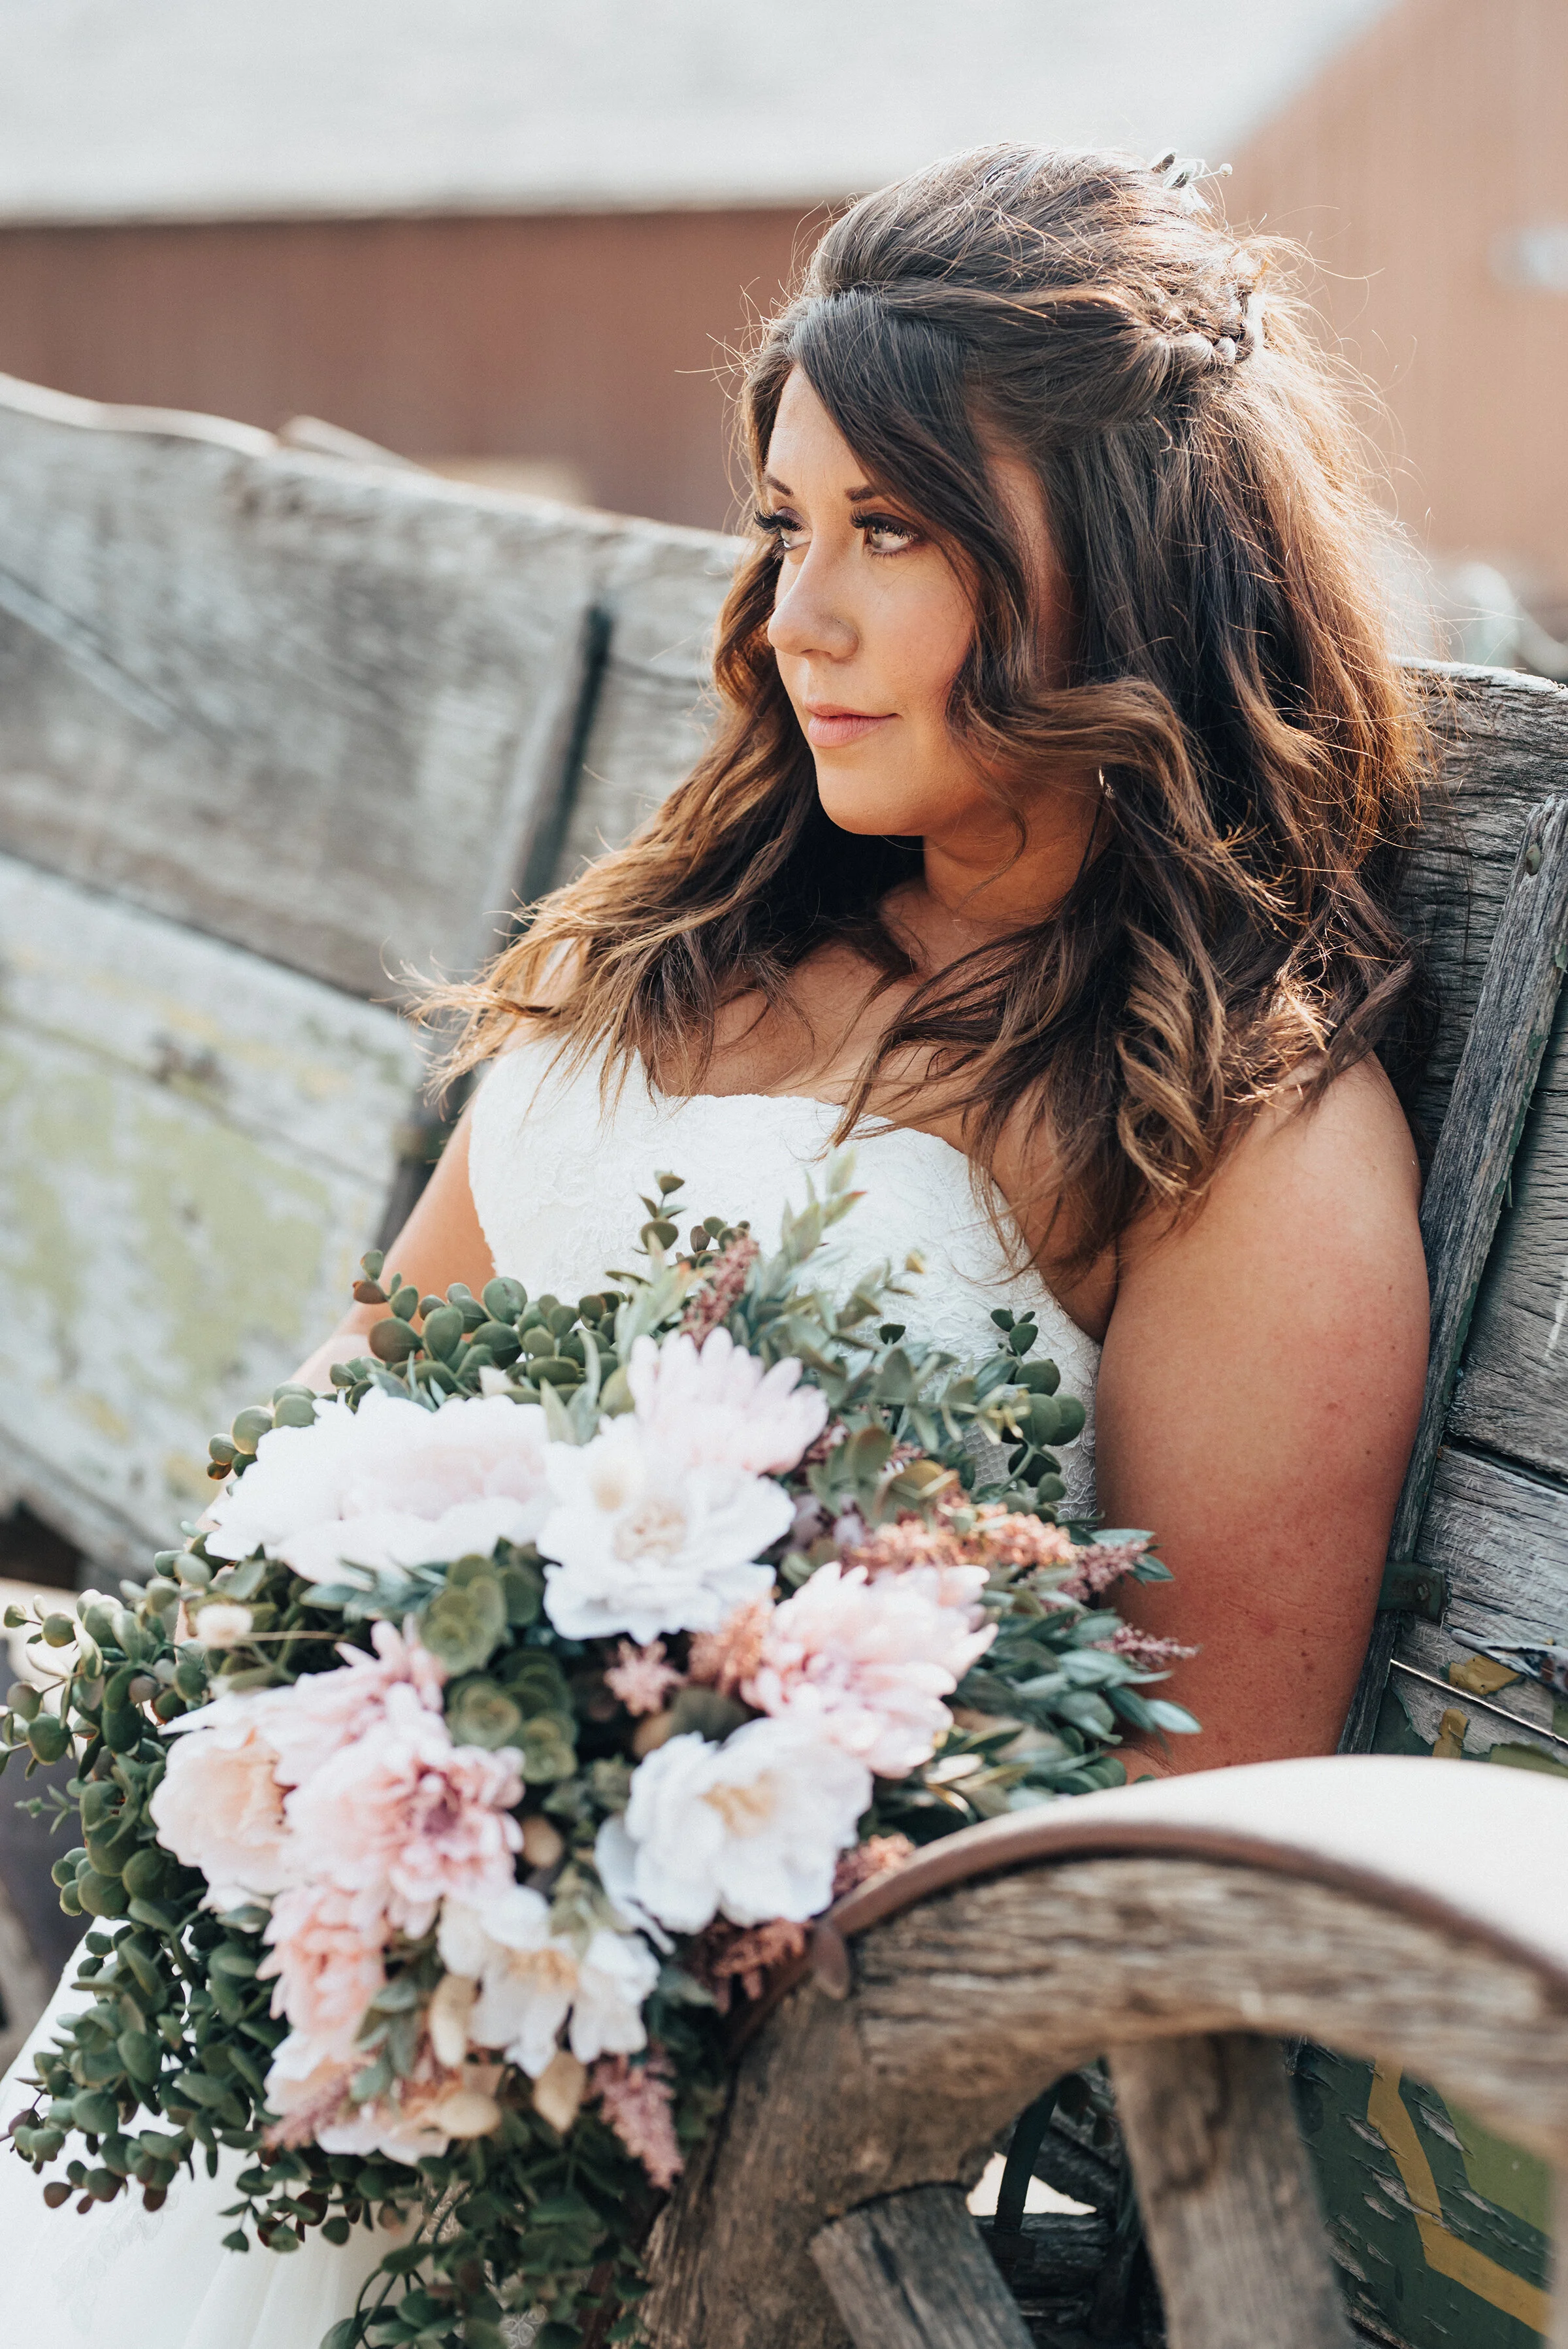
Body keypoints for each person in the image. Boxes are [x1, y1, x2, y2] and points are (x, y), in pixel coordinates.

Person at [0, 143, 1429, 2342]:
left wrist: (633, 1860)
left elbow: (1182, 1830)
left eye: (895, 535)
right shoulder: (687, 934)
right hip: (310, 1954)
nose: (798, 618)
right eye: (784, 526)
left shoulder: (1236, 1126)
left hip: (666, 2114)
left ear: (1120, 578)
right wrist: (361, 1765)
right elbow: (348, 1416)